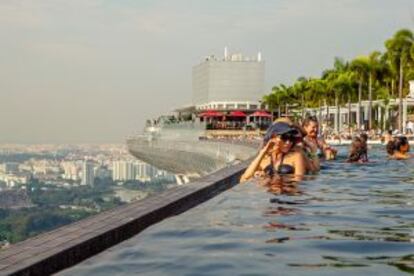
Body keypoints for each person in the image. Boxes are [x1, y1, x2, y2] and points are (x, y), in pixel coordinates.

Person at [240, 121, 307, 182]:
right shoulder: (264, 158)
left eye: (291, 138)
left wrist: (271, 177)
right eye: (284, 137)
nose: (288, 142)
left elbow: (299, 183)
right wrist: (264, 151)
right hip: (268, 194)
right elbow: (244, 179)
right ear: (273, 137)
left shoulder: (296, 156)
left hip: (286, 194)